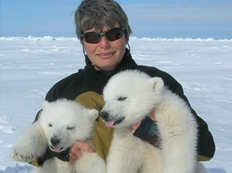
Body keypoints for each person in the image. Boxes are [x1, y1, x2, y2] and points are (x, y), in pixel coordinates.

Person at [31, 0, 215, 167]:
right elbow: (30, 150)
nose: (104, 44)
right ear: (82, 42)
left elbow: (206, 149)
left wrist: (151, 131)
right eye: (93, 37)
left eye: (113, 34)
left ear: (126, 36)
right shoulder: (65, 90)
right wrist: (62, 149)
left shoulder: (155, 84)